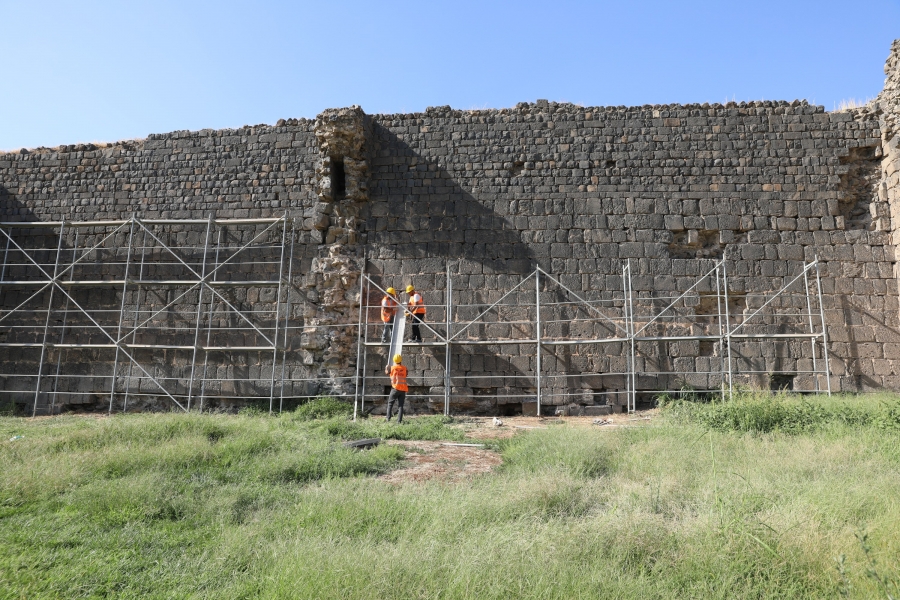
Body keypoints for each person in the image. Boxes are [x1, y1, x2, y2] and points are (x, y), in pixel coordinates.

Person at [384, 354, 408, 423]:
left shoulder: (392, 368)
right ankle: (399, 421)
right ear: (401, 360)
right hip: (403, 389)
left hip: (395, 389)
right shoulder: (404, 368)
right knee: (400, 406)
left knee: (390, 404)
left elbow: (386, 372)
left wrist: (386, 367)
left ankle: (388, 419)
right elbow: (406, 374)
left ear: (394, 360)